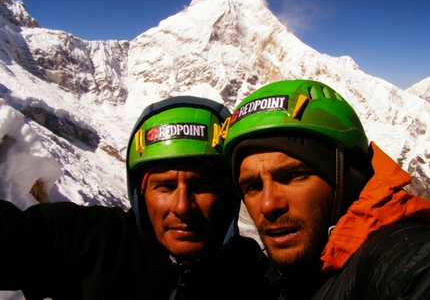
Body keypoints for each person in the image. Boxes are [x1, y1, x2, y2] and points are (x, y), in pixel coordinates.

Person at [0, 96, 276, 300]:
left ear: (228, 192)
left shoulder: (257, 278)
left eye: (202, 185)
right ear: (141, 192)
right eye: (165, 186)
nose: (182, 207)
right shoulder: (87, 240)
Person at [223, 79, 430, 299]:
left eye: (294, 176)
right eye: (253, 186)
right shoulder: (279, 280)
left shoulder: (403, 260)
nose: (268, 205)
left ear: (348, 179)